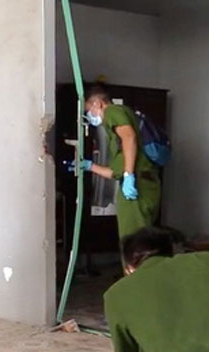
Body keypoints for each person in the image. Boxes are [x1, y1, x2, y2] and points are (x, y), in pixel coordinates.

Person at [69, 84, 161, 239]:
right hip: (145, 184)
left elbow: (129, 137)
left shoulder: (112, 112)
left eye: (88, 111)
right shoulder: (124, 115)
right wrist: (89, 166)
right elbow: (115, 171)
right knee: (142, 240)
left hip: (137, 187)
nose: (89, 117)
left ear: (98, 103)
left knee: (134, 241)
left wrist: (128, 176)